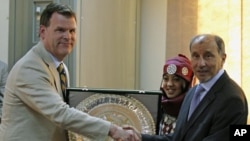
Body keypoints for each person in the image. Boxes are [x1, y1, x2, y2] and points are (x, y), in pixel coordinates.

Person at [0, 3, 138, 141]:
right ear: (42, 32)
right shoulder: (30, 68)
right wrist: (112, 129)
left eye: (72, 31)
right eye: (60, 30)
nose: (67, 36)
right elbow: (60, 113)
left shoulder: (61, 68)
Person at [126, 34, 248, 141]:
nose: (201, 64)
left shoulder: (232, 98)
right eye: (195, 56)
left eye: (208, 56)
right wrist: (139, 137)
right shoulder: (193, 92)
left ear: (223, 58)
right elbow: (177, 138)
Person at [158, 54, 194, 135]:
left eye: (176, 79)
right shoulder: (157, 106)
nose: (170, 84)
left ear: (186, 83)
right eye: (166, 79)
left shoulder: (194, 109)